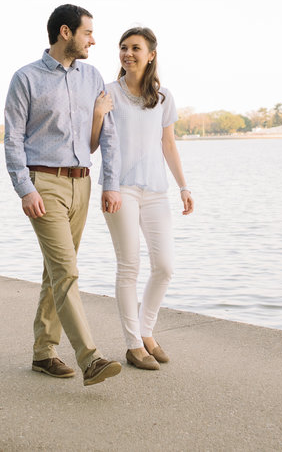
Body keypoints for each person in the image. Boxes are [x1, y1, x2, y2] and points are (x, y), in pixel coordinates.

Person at [3, 4, 124, 387]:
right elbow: (13, 139)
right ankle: (90, 359)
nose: (94, 40)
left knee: (56, 270)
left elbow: (106, 136)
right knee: (67, 271)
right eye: (89, 32)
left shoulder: (93, 77)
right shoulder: (26, 79)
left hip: (82, 183)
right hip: (45, 185)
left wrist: (111, 182)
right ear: (66, 32)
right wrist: (25, 188)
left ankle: (43, 353)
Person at [91, 26, 194, 371]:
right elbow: (93, 145)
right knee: (129, 265)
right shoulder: (107, 93)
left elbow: (168, 144)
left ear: (151, 55)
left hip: (155, 191)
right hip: (120, 189)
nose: (127, 53)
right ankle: (133, 345)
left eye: (135, 48)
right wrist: (97, 114)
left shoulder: (163, 97)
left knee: (165, 266)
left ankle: (147, 331)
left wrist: (183, 186)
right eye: (123, 48)